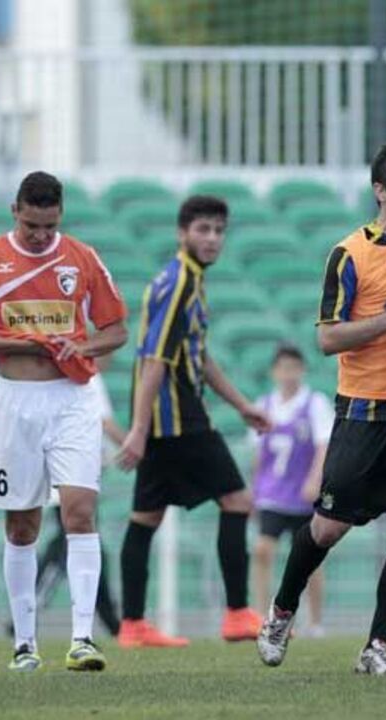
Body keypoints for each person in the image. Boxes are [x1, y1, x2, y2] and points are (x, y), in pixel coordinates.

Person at [257, 142, 386, 675]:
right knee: (326, 529)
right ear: (381, 190)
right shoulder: (350, 254)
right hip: (364, 413)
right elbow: (327, 340)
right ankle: (281, 611)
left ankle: (377, 647)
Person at [0, 171, 128, 671]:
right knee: (22, 525)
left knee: (79, 511)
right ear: (15, 210)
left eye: (49, 224)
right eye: (32, 224)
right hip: (16, 401)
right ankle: (25, 644)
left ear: (59, 214)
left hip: (72, 399)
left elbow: (117, 329)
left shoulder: (81, 258)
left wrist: (78, 345)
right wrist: (28, 343)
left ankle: (83, 639)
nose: (40, 234)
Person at [116, 195, 271, 647]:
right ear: (182, 233)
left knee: (144, 517)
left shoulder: (186, 279)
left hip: (168, 420)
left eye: (219, 231)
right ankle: (238, 613)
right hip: (179, 419)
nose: (212, 239)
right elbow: (154, 361)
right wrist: (139, 430)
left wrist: (242, 405)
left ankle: (132, 625)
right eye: (203, 230)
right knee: (238, 501)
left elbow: (198, 358)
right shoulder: (180, 280)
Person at [6, 354, 125, 640]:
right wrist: (131, 446)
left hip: (73, 476)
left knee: (75, 547)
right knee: (69, 548)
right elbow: (104, 423)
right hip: (73, 478)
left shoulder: (79, 377)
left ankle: (110, 621)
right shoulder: (90, 380)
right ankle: (30, 612)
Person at [250, 343, 334, 637]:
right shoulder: (264, 405)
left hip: (302, 495)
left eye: (294, 368)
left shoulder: (315, 403)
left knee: (310, 558)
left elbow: (324, 444)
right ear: (275, 372)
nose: (289, 374)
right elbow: (258, 453)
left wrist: (315, 479)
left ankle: (315, 621)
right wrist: (253, 489)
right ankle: (263, 615)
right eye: (284, 368)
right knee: (262, 550)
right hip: (272, 494)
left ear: (302, 371)